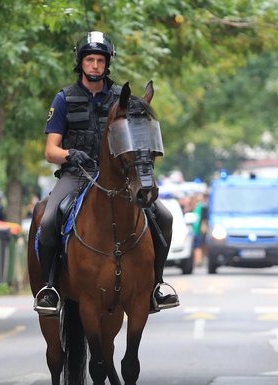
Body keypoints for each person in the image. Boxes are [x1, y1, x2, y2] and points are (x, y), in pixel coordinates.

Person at [33, 31, 179, 317]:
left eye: (100, 60)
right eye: (90, 59)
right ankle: (50, 287)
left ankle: (156, 285)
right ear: (81, 62)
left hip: (118, 178)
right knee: (48, 220)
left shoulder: (122, 99)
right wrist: (70, 154)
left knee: (165, 217)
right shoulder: (64, 98)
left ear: (107, 63)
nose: (95, 65)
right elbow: (50, 150)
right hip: (76, 175)